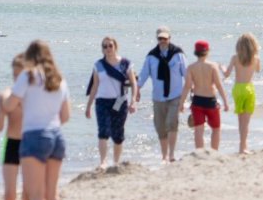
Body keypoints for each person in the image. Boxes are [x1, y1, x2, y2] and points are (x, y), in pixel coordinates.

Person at [1, 40, 71, 200]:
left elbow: (9, 105)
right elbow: (65, 116)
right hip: (56, 136)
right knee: (52, 194)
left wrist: (7, 100)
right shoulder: (59, 80)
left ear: (31, 58)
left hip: (34, 136)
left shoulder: (27, 76)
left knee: (36, 194)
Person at [84, 36, 138, 170]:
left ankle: (116, 162)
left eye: (110, 46)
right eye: (105, 46)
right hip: (102, 102)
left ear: (115, 47)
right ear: (102, 49)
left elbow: (133, 83)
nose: (108, 48)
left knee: (118, 134)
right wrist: (89, 106)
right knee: (103, 131)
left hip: (120, 101)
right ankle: (103, 162)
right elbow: (95, 86)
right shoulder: (98, 65)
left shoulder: (126, 63)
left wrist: (133, 101)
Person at [137, 27, 187, 163]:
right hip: (158, 98)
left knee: (172, 123)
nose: (163, 41)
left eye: (165, 38)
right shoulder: (151, 56)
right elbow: (143, 75)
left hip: (175, 96)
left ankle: (171, 155)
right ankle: (164, 155)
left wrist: (191, 91)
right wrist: (137, 89)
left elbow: (187, 74)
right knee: (160, 127)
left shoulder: (178, 54)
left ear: (170, 38)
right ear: (157, 39)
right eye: (160, 38)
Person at [0, 53, 28, 200]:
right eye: (14, 74)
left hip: (30, 144)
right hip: (12, 145)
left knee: (28, 194)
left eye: (20, 74)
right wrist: (1, 110)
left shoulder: (32, 95)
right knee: (10, 195)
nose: (17, 78)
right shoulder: (5, 95)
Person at [181, 40, 230, 151]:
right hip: (210, 100)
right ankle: (214, 151)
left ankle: (200, 152)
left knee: (199, 129)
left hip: (197, 100)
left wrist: (181, 103)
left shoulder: (191, 67)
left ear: (195, 52)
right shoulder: (212, 66)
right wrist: (226, 102)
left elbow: (187, 86)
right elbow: (219, 85)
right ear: (207, 51)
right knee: (216, 128)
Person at [223, 33, 261, 155]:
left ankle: (242, 146)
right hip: (249, 88)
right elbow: (258, 70)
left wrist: (221, 67)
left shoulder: (235, 58)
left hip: (238, 89)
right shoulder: (256, 59)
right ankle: (243, 146)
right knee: (246, 120)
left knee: (240, 120)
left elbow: (226, 74)